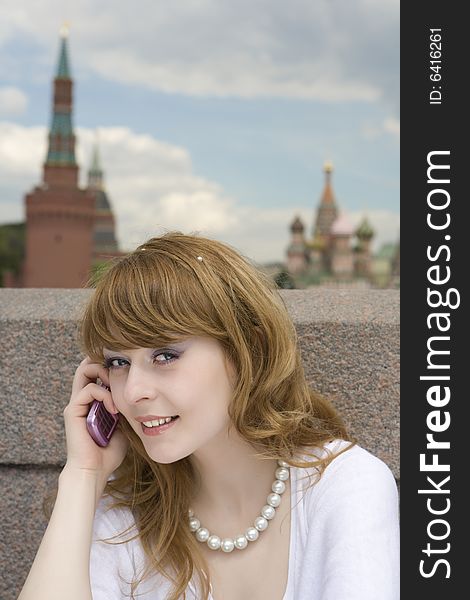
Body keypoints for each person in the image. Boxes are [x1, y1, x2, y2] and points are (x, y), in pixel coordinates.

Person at [18, 231, 399, 600]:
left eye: (165, 355)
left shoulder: (345, 486)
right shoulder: (125, 515)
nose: (133, 391)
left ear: (246, 349)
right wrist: (83, 476)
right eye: (118, 362)